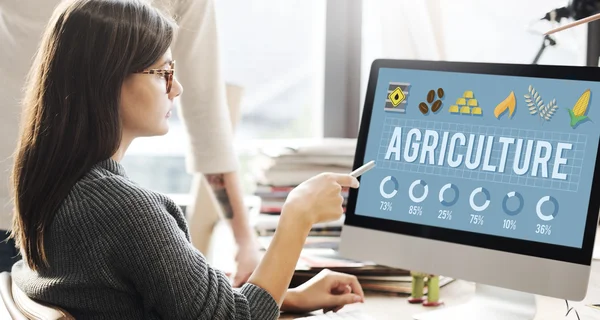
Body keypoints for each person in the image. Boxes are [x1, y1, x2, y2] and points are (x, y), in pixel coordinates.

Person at [9, 0, 365, 319]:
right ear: (108, 80)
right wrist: (298, 214)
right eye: (162, 73)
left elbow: (173, 299)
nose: (176, 87)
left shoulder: (55, 186)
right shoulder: (122, 210)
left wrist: (287, 297)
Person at [0, 0, 262, 285]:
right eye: (162, 73)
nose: (175, 88)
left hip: (38, 203)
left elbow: (206, 116)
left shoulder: (122, 208)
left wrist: (243, 240)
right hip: (35, 213)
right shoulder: (133, 214)